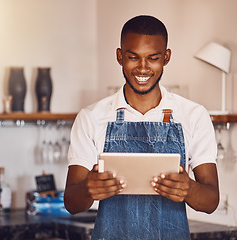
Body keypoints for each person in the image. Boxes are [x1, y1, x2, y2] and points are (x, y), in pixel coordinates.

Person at [64, 15, 219, 240]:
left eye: (153, 58)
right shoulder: (91, 117)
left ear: (166, 57)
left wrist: (190, 189)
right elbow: (71, 202)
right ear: (120, 56)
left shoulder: (194, 116)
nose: (143, 68)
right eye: (133, 57)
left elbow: (211, 200)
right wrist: (88, 189)